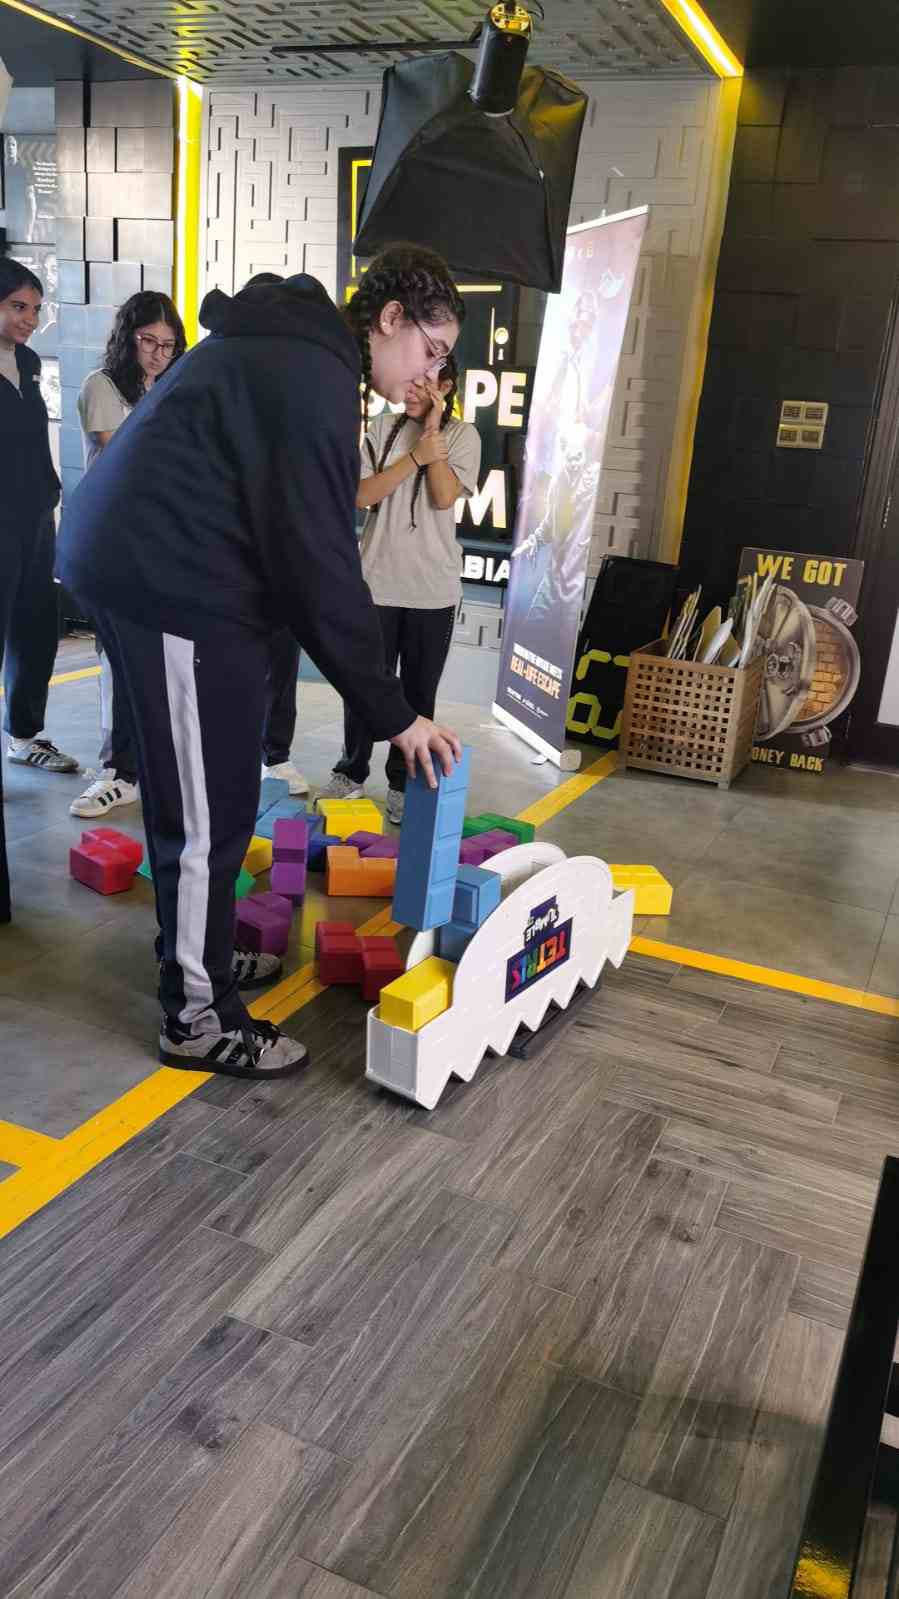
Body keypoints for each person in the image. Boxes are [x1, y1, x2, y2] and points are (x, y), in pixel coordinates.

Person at [57, 245, 465, 1080]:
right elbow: (318, 560)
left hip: (182, 572)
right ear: (390, 318)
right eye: (429, 349)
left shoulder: (302, 354)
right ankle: (197, 1017)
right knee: (205, 814)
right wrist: (394, 712)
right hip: (166, 579)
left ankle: (198, 956)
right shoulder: (309, 371)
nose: (431, 371)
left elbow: (294, 538)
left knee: (219, 788)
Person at [319, 352, 480, 824]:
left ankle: (401, 783)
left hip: (433, 589)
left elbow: (443, 496)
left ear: (445, 388)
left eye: (422, 384)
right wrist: (414, 456)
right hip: (376, 582)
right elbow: (361, 495)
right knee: (363, 684)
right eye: (408, 382)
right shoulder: (381, 428)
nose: (410, 391)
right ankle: (350, 772)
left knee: (418, 693)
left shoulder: (462, 435)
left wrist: (431, 435)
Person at [71, 290, 187, 819]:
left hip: (164, 542)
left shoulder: (172, 387)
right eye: (148, 341)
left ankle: (147, 766)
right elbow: (126, 454)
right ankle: (117, 772)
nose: (159, 354)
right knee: (117, 661)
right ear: (128, 338)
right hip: (113, 542)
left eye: (169, 345)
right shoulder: (102, 386)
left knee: (159, 662)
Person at [0, 256, 77, 776]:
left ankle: (25, 735)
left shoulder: (27, 362)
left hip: (34, 518)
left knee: (36, 629)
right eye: (17, 306)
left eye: (35, 309)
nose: (29, 319)